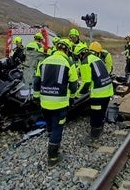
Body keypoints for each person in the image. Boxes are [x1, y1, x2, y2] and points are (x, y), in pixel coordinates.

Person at [33, 38, 78, 168]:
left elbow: (36, 81)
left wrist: (37, 97)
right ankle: (52, 157)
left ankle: (52, 141)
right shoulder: (69, 63)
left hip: (45, 103)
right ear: (67, 50)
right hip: (60, 104)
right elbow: (74, 85)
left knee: (50, 125)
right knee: (58, 128)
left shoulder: (44, 61)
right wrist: (72, 98)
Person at [73, 43, 114, 147]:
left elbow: (86, 82)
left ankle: (94, 139)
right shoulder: (96, 58)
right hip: (108, 90)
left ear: (81, 54)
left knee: (95, 115)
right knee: (102, 112)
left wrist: (76, 95)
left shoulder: (85, 62)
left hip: (98, 93)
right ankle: (100, 130)